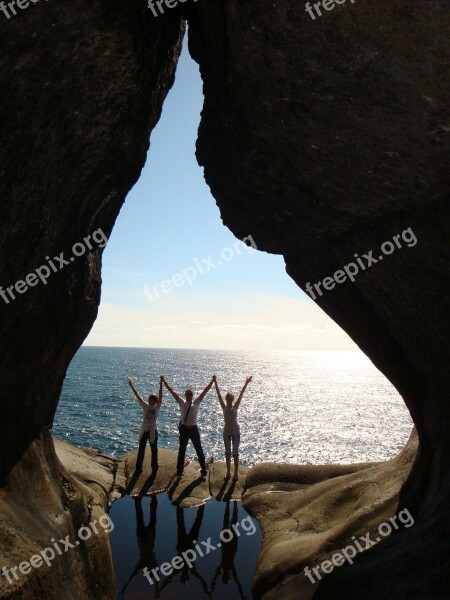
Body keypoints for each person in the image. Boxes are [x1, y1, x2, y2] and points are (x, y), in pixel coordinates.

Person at [162, 376, 214, 481]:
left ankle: (204, 471)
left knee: (199, 450)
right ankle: (180, 471)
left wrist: (212, 381)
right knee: (182, 450)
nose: (189, 396)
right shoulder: (181, 402)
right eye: (187, 394)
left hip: (194, 429)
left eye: (190, 394)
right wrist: (164, 381)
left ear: (192, 395)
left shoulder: (196, 402)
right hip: (184, 429)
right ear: (185, 395)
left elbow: (205, 391)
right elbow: (172, 391)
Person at [213, 375, 252, 481]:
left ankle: (235, 474)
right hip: (226, 433)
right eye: (228, 399)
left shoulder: (235, 407)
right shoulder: (224, 407)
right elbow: (218, 394)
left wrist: (247, 383)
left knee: (235, 453)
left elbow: (241, 394)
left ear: (232, 400)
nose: (229, 400)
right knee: (227, 453)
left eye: (230, 399)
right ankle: (228, 472)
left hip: (235, 432)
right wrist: (215, 382)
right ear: (226, 400)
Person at [127, 376, 163, 473]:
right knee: (141, 449)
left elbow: (161, 397)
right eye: (150, 399)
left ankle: (154, 469)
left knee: (154, 450)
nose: (151, 401)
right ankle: (138, 469)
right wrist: (131, 385)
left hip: (152, 430)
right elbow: (137, 395)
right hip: (144, 429)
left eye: (153, 400)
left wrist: (161, 384)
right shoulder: (145, 406)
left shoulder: (157, 408)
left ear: (156, 401)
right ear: (149, 400)